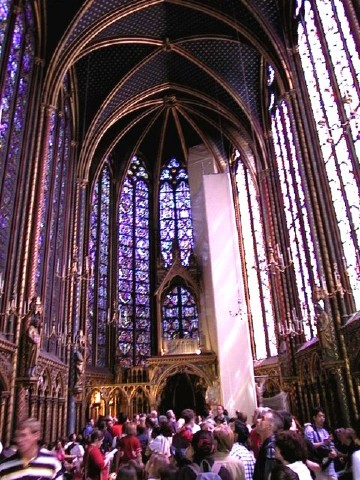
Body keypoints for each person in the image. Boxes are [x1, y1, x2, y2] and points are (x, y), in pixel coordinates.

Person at [304, 408, 338, 480]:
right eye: (320, 416)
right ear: (314, 417)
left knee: (333, 477)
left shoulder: (325, 430)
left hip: (328, 459)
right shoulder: (309, 429)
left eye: (323, 416)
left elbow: (331, 444)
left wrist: (333, 451)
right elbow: (310, 446)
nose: (322, 418)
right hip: (318, 460)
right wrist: (323, 443)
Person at [253, 409, 284, 480]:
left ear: (270, 426)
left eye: (263, 419)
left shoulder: (270, 448)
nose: (258, 420)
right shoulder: (267, 445)